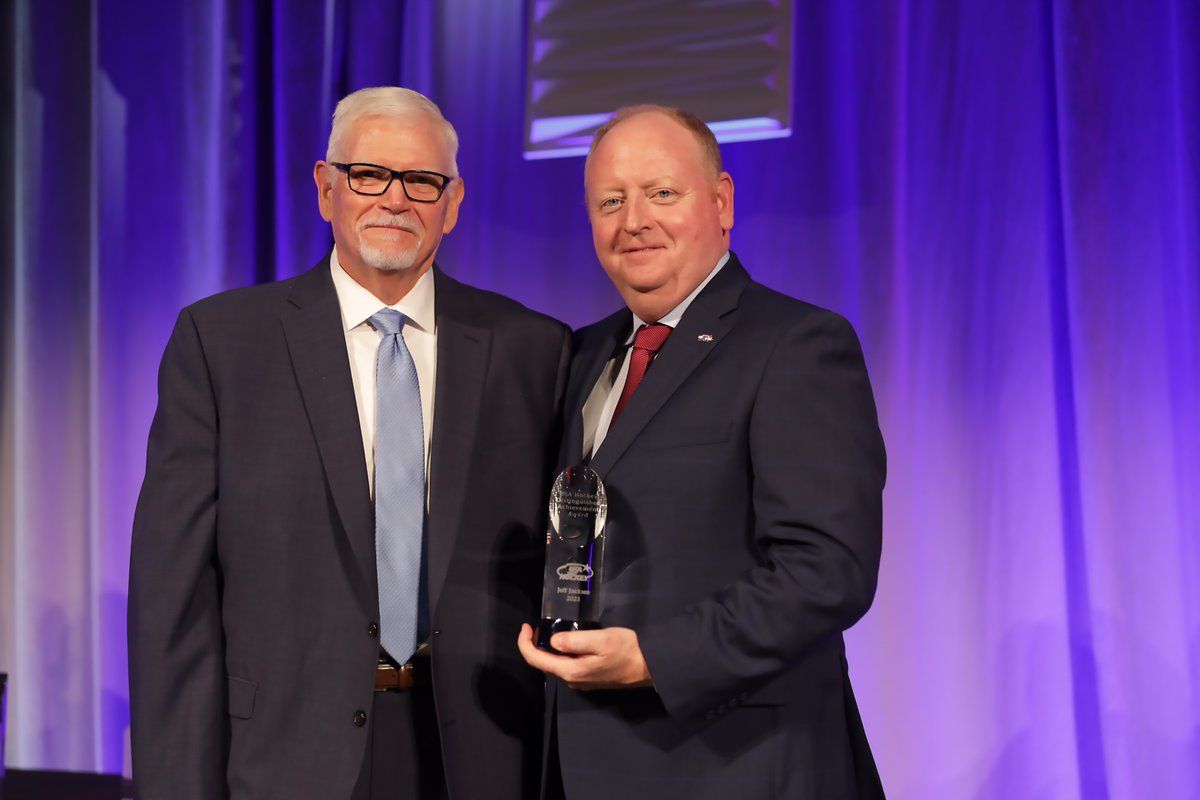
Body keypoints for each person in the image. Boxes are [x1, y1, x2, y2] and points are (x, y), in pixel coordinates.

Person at [129, 86, 569, 800]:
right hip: (282, 758)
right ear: (326, 185)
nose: (395, 199)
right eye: (369, 175)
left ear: (453, 203)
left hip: (479, 757)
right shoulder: (222, 343)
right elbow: (170, 599)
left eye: (422, 181)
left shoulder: (533, 350)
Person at [518, 105, 887, 798]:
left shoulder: (797, 345)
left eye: (662, 193)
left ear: (721, 203)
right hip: (581, 764)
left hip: (737, 765)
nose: (634, 220)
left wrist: (655, 656)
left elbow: (827, 568)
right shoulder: (579, 354)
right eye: (610, 200)